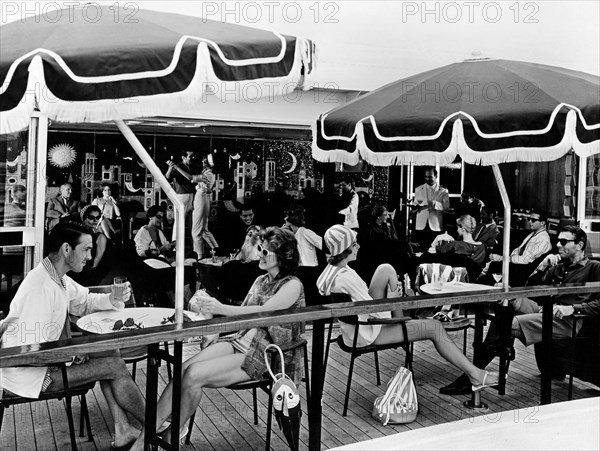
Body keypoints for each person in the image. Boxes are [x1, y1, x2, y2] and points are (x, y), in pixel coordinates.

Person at [129, 227, 305, 448]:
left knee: (193, 375)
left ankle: (169, 437)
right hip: (240, 341)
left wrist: (221, 307)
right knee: (183, 370)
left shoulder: (292, 285)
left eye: (265, 251)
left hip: (267, 355)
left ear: (283, 257)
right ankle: (145, 439)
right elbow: (244, 315)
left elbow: (262, 314)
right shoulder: (261, 280)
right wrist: (212, 324)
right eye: (260, 248)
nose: (259, 253)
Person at [0, 221, 145, 449]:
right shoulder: (40, 287)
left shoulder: (56, 276)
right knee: (115, 366)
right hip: (30, 376)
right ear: (67, 249)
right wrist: (72, 355)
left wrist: (113, 298)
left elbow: (85, 300)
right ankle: (157, 425)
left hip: (39, 365)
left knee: (107, 351)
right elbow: (32, 348)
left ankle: (123, 429)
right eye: (86, 249)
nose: (90, 256)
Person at [316, 224, 499, 392]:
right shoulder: (348, 278)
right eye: (354, 244)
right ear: (345, 250)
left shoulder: (331, 272)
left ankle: (402, 308)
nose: (359, 247)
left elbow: (365, 304)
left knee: (385, 269)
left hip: (353, 331)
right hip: (368, 333)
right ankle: (476, 376)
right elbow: (373, 310)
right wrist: (395, 303)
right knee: (434, 327)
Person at [441, 225, 600, 395]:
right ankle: (503, 346)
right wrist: (542, 266)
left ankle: (472, 375)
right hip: (545, 309)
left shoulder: (594, 267)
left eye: (563, 241)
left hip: (568, 320)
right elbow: (530, 287)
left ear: (580, 245)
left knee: (505, 325)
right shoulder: (560, 266)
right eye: (557, 241)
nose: (558, 245)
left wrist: (573, 308)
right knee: (507, 301)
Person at [133, 205, 196, 306]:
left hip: (164, 261)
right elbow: (141, 253)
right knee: (182, 271)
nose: (161, 220)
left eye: (162, 218)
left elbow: (166, 245)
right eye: (158, 217)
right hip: (151, 265)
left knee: (193, 260)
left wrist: (172, 245)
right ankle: (179, 301)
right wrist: (160, 250)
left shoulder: (158, 232)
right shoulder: (142, 233)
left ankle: (186, 298)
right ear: (150, 217)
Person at [480, 208, 552, 286]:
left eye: (533, 220)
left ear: (542, 223)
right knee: (494, 263)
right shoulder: (533, 234)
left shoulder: (543, 240)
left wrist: (503, 258)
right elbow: (517, 250)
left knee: (495, 266)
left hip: (524, 270)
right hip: (519, 264)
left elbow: (526, 260)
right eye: (529, 219)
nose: (530, 222)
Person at [170, 154, 219, 259]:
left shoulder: (208, 174)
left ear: (209, 163)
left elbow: (190, 178)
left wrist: (177, 167)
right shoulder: (207, 172)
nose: (202, 162)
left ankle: (199, 256)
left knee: (195, 232)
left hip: (201, 199)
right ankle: (216, 249)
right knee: (204, 230)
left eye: (204, 161)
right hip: (202, 199)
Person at [284, 204, 323, 305]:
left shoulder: (305, 232)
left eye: (286, 216)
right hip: (300, 269)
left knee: (311, 296)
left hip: (309, 269)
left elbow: (322, 243)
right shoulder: (293, 234)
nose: (284, 218)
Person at [70, 205, 112, 286]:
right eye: (91, 217)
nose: (95, 220)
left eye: (98, 217)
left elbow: (95, 264)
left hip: (89, 274)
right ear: (84, 218)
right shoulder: (78, 233)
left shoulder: (100, 237)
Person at [411, 167, 450, 249]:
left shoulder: (443, 191)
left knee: (435, 248)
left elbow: (446, 206)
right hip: (421, 224)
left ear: (436, 176)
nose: (427, 179)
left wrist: (435, 204)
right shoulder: (418, 189)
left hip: (436, 225)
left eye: (430, 177)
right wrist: (414, 207)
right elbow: (416, 203)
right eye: (426, 176)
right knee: (420, 248)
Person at [166, 150, 197, 242]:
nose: (192, 158)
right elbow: (167, 178)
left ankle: (194, 247)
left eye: (193, 156)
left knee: (193, 223)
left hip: (192, 196)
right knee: (179, 222)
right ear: (183, 157)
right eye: (190, 156)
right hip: (181, 196)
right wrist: (170, 168)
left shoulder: (193, 167)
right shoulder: (178, 167)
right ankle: (176, 245)